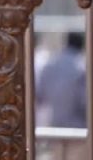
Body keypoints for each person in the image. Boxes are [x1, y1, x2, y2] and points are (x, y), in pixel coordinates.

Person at [36, 32, 86, 160]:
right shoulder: (82, 66)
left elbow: (40, 96)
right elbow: (84, 101)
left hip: (55, 125)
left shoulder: (50, 64)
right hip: (79, 126)